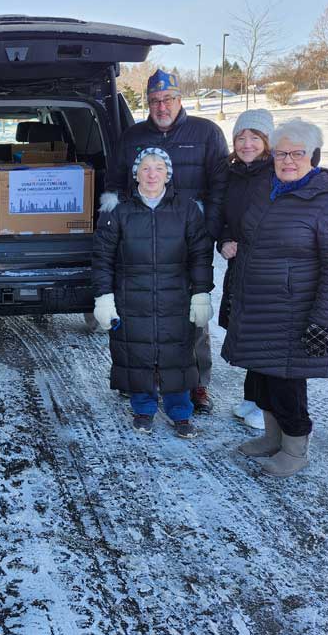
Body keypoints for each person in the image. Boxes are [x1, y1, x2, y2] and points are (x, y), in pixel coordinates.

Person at [221, 119, 328, 477]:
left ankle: (295, 451)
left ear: (314, 156)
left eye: (297, 153)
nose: (288, 160)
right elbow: (246, 240)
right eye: (281, 153)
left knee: (287, 385)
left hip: (295, 313)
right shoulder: (268, 189)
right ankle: (271, 437)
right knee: (261, 379)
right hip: (258, 307)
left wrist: (321, 319)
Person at [101, 69, 229, 414]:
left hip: (190, 241)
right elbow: (115, 183)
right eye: (155, 101)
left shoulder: (207, 133)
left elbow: (221, 187)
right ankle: (141, 381)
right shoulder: (132, 136)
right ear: (149, 102)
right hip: (141, 238)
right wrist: (112, 227)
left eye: (168, 99)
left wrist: (211, 231)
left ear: (180, 99)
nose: (161, 106)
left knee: (192, 312)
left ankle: (196, 383)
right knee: (141, 311)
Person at [92, 148, 214, 439]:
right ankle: (143, 408)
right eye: (145, 168)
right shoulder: (118, 211)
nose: (151, 174)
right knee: (137, 352)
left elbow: (200, 254)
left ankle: (180, 412)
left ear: (167, 174)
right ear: (136, 174)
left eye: (158, 168)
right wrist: (104, 297)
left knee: (177, 354)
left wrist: (201, 293)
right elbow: (102, 257)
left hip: (175, 295)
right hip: (131, 294)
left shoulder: (186, 209)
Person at [217, 109, 275, 431]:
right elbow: (226, 218)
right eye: (241, 137)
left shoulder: (276, 173)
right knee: (248, 333)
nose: (247, 143)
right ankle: (252, 397)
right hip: (240, 266)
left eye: (255, 137)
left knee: (266, 336)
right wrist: (224, 240)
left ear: (267, 141)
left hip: (267, 268)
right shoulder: (233, 173)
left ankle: (267, 406)